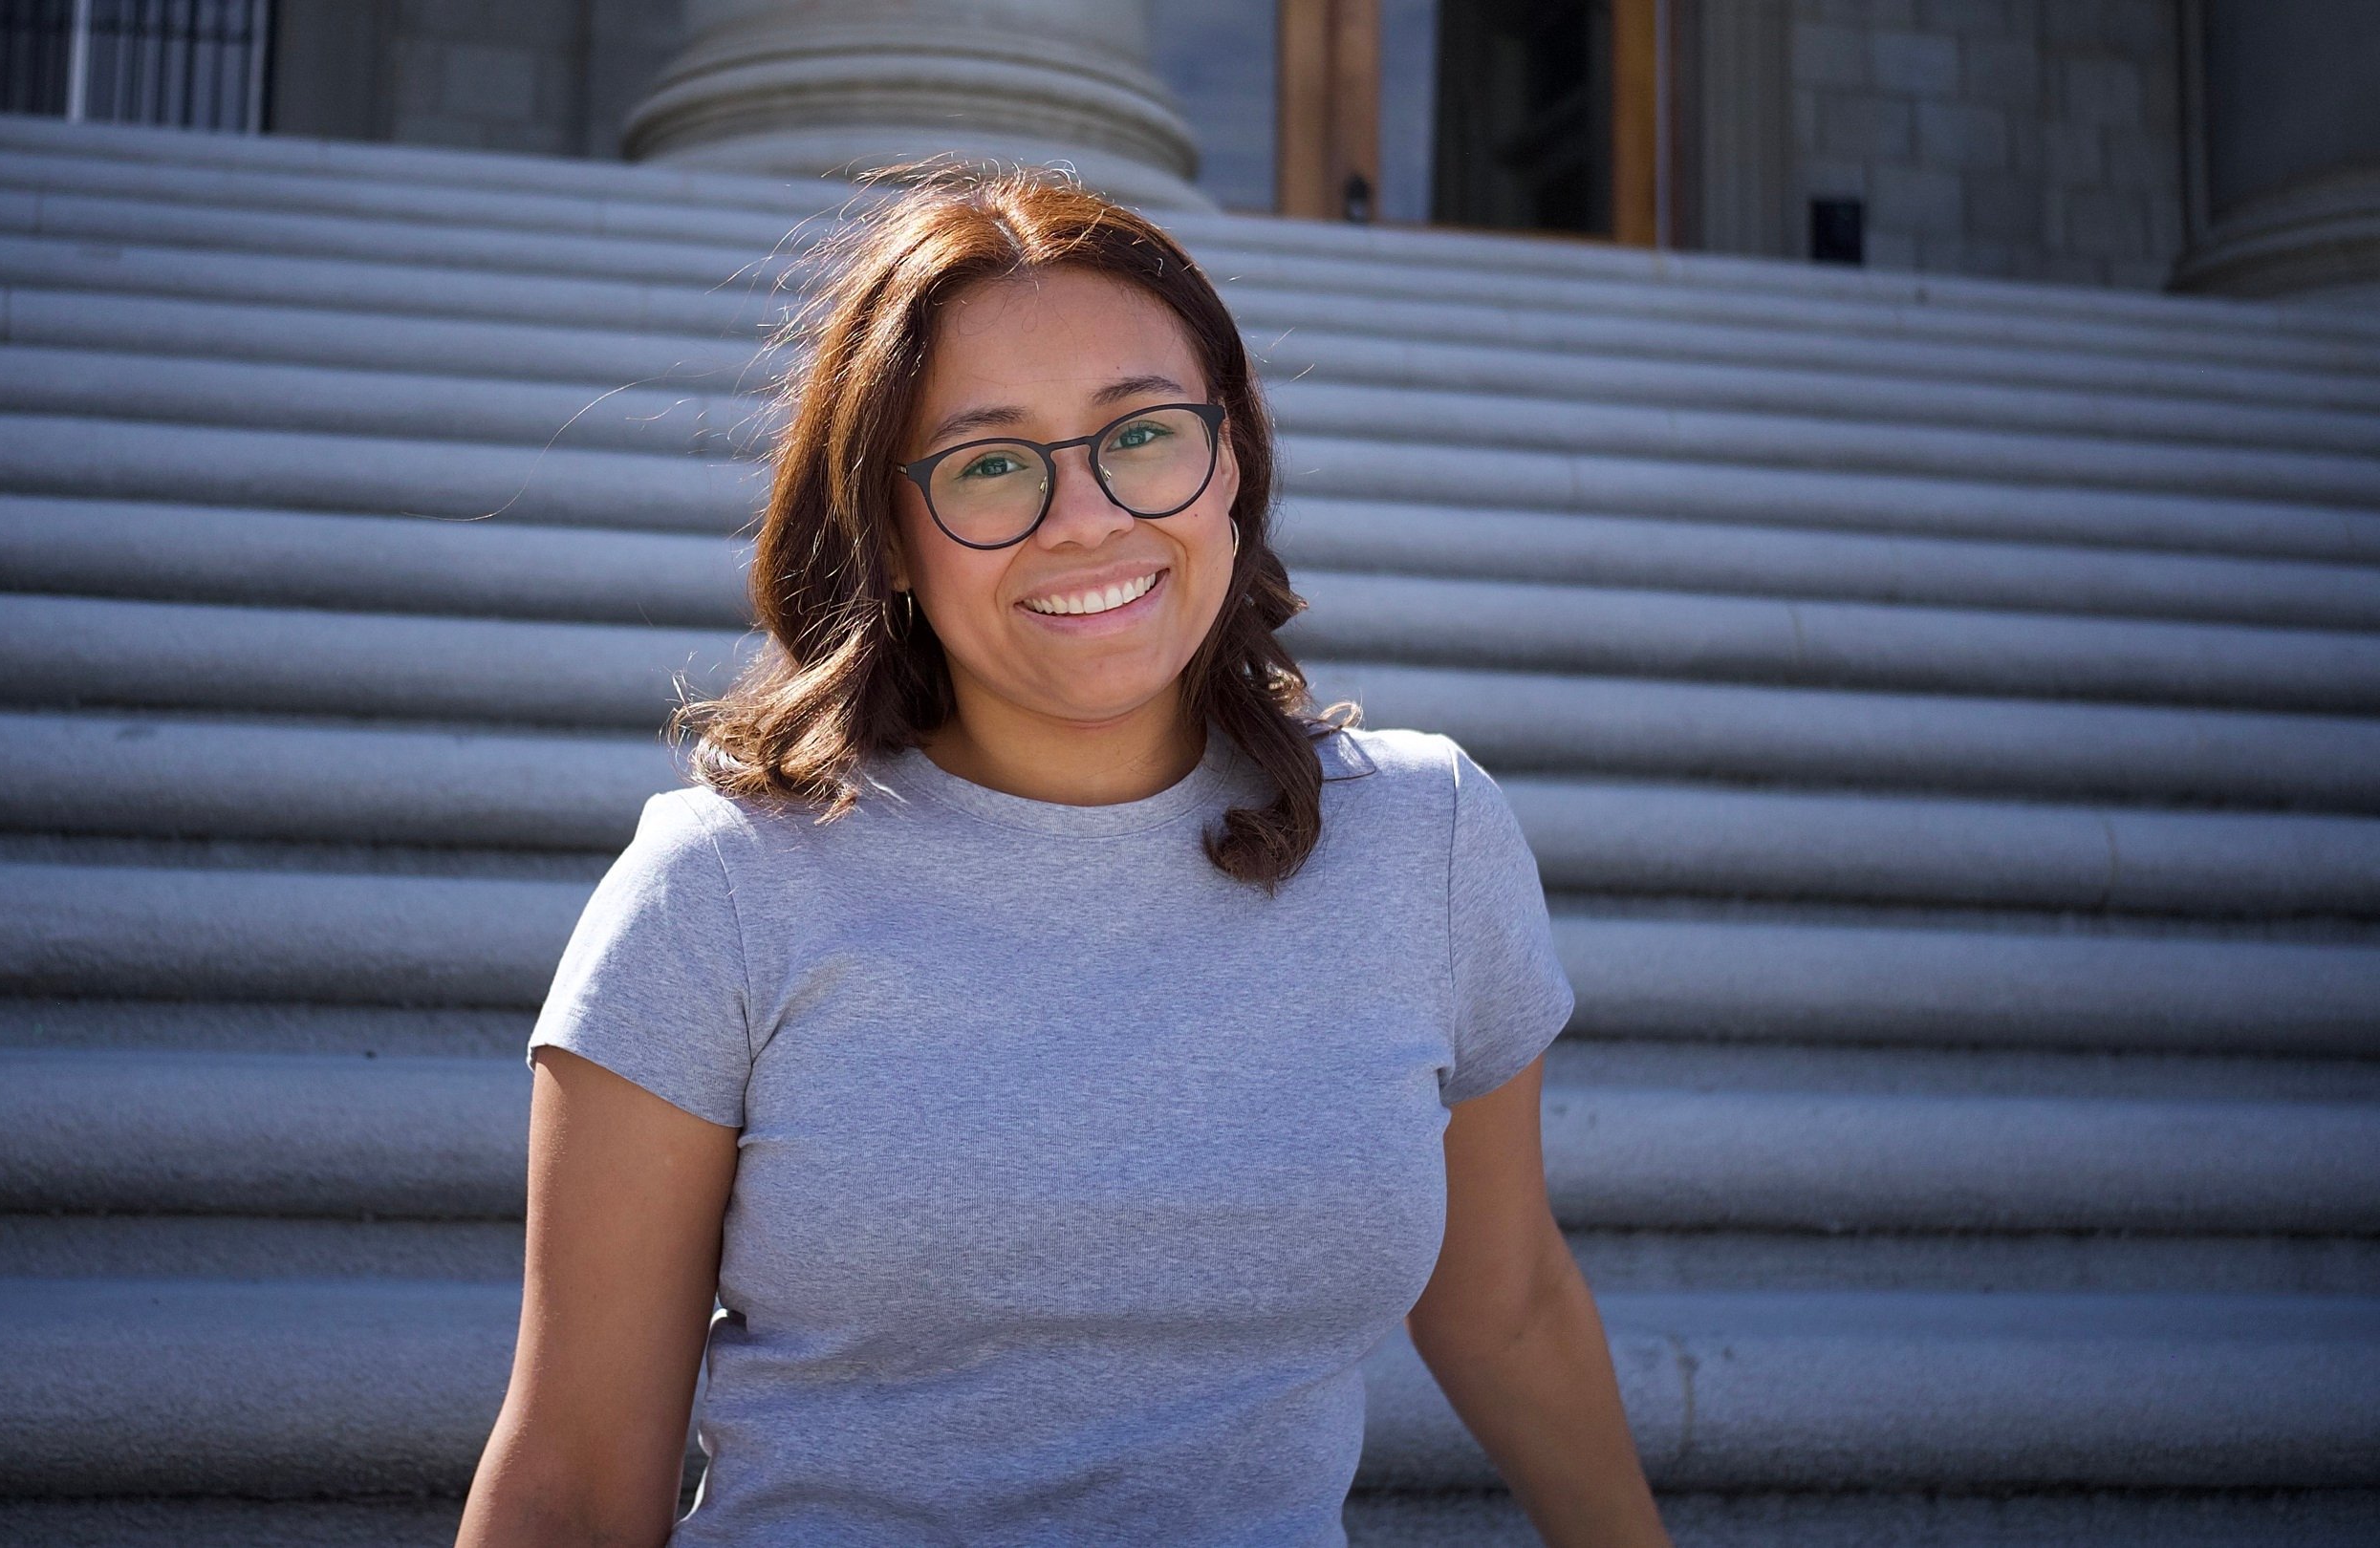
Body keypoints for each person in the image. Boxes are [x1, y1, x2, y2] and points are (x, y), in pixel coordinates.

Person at [457, 162, 1672, 1548]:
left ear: (1231, 462)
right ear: (889, 537)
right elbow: (571, 1479)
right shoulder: (721, 890)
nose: (1085, 517)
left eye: (1142, 435)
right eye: (990, 464)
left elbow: (1504, 1303)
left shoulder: (1428, 838)